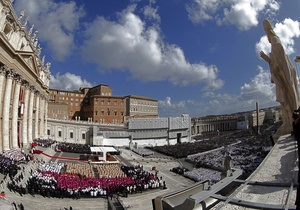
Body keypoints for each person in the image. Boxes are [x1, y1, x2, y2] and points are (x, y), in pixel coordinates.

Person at [260, 19, 299, 137]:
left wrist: (267, 59)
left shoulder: (276, 43)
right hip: (281, 78)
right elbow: (277, 64)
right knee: (284, 104)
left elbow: (279, 66)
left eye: (266, 32)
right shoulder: (275, 43)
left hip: (283, 80)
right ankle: (288, 122)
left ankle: (289, 124)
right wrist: (267, 58)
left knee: (285, 102)